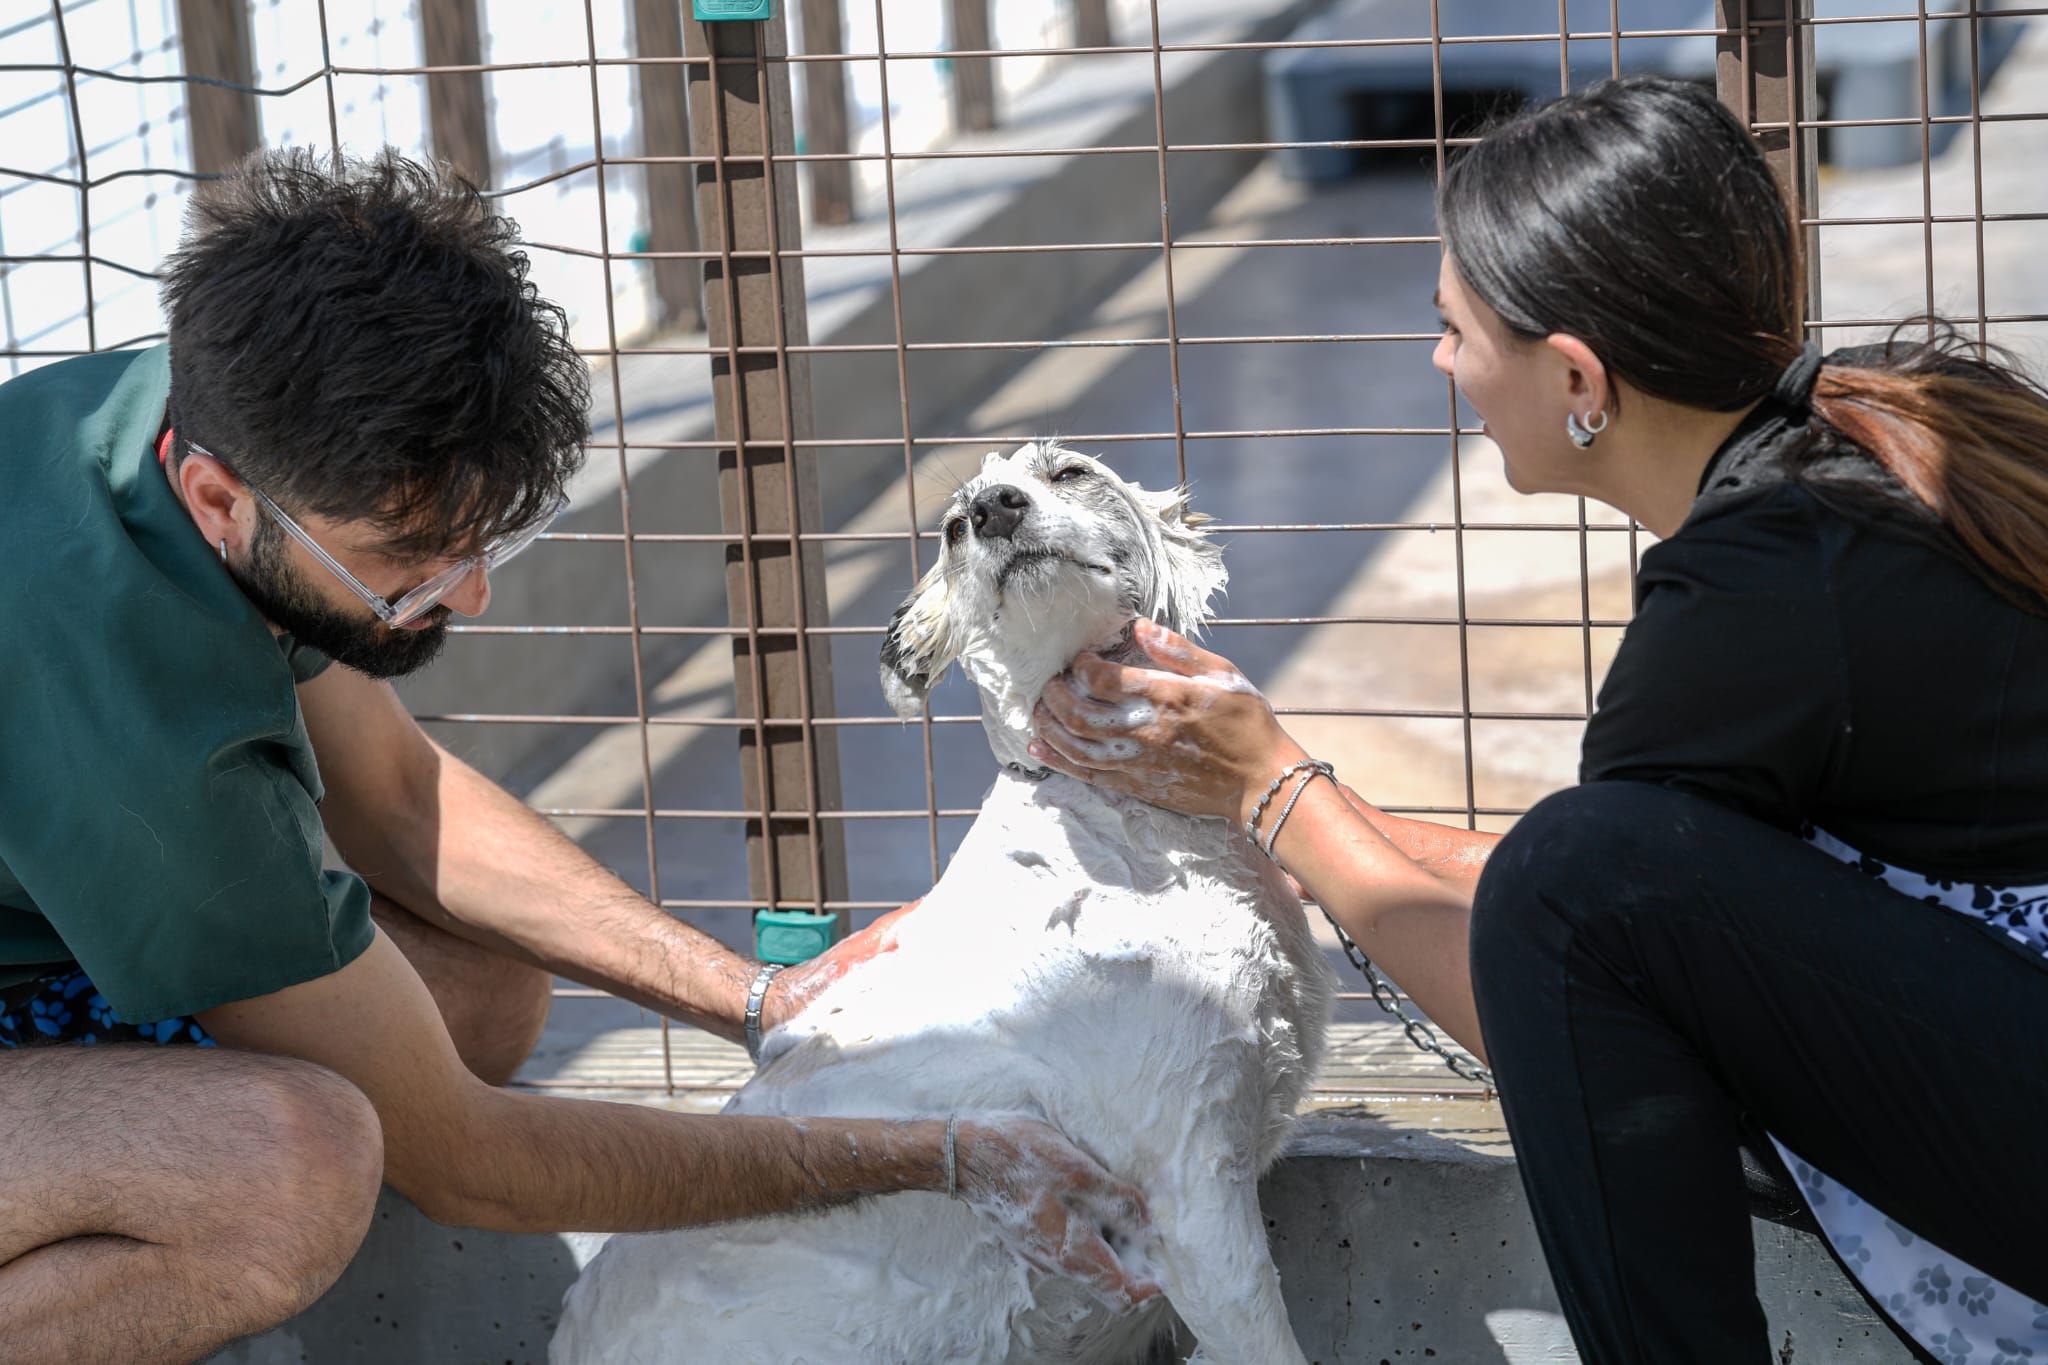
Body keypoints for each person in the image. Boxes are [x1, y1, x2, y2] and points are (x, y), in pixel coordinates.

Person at [0, 148, 1154, 1365]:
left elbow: (399, 798)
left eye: (481, 539)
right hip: (100, 827)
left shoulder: (220, 414)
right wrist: (936, 1158)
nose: (474, 595)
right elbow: (475, 1169)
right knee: (288, 1165)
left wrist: (754, 998)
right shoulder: (145, 719)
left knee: (483, 998)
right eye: (411, 557)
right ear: (218, 499)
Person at [1029, 76, 2048, 1365]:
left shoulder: (1759, 582)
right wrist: (1291, 789)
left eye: (1453, 327)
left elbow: (1555, 979)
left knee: (1577, 876)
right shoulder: (1875, 436)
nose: (1440, 360)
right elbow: (1688, 899)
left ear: (1574, 374)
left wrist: (1268, 790)